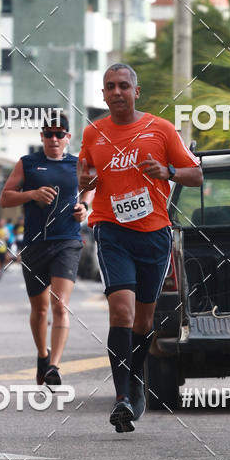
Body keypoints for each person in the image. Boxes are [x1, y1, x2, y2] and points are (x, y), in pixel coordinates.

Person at [78, 63, 203, 433]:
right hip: (111, 230)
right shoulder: (92, 132)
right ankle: (122, 397)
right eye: (109, 87)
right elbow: (85, 176)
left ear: (136, 91)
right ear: (102, 94)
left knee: (143, 320)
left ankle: (136, 381)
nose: (116, 92)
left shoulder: (160, 129)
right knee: (121, 309)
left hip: (154, 233)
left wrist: (169, 172)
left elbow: (196, 174)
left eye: (123, 86)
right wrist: (84, 181)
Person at [0, 110, 92, 386]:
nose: (54, 139)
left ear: (67, 137)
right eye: (49, 134)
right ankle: (43, 355)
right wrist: (31, 194)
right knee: (40, 310)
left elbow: (91, 187)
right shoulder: (27, 164)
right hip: (35, 244)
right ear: (42, 136)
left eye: (59, 134)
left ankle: (54, 366)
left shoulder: (77, 164)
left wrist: (84, 206)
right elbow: (5, 198)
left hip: (67, 241)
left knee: (59, 305)